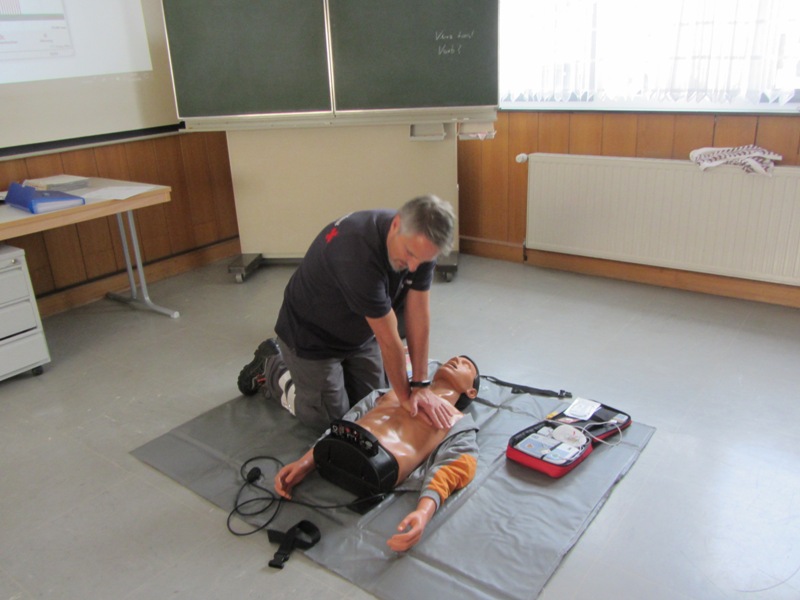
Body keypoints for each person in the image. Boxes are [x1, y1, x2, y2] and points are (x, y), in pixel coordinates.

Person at [238, 195, 456, 432]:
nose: (413, 266)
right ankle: (272, 368)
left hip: (359, 329)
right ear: (396, 224)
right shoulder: (356, 254)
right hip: (312, 337)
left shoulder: (421, 243)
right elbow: (388, 339)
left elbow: (418, 314)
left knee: (372, 404)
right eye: (410, 254)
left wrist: (421, 385)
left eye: (423, 260)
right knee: (331, 422)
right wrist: (406, 399)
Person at [274, 355, 480, 552]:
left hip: (379, 468)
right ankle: (273, 364)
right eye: (454, 358)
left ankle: (273, 365)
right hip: (338, 445)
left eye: (466, 365)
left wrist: (423, 512)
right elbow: (350, 419)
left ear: (471, 392)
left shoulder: (457, 422)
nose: (456, 360)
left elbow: (451, 469)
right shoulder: (392, 392)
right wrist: (305, 463)